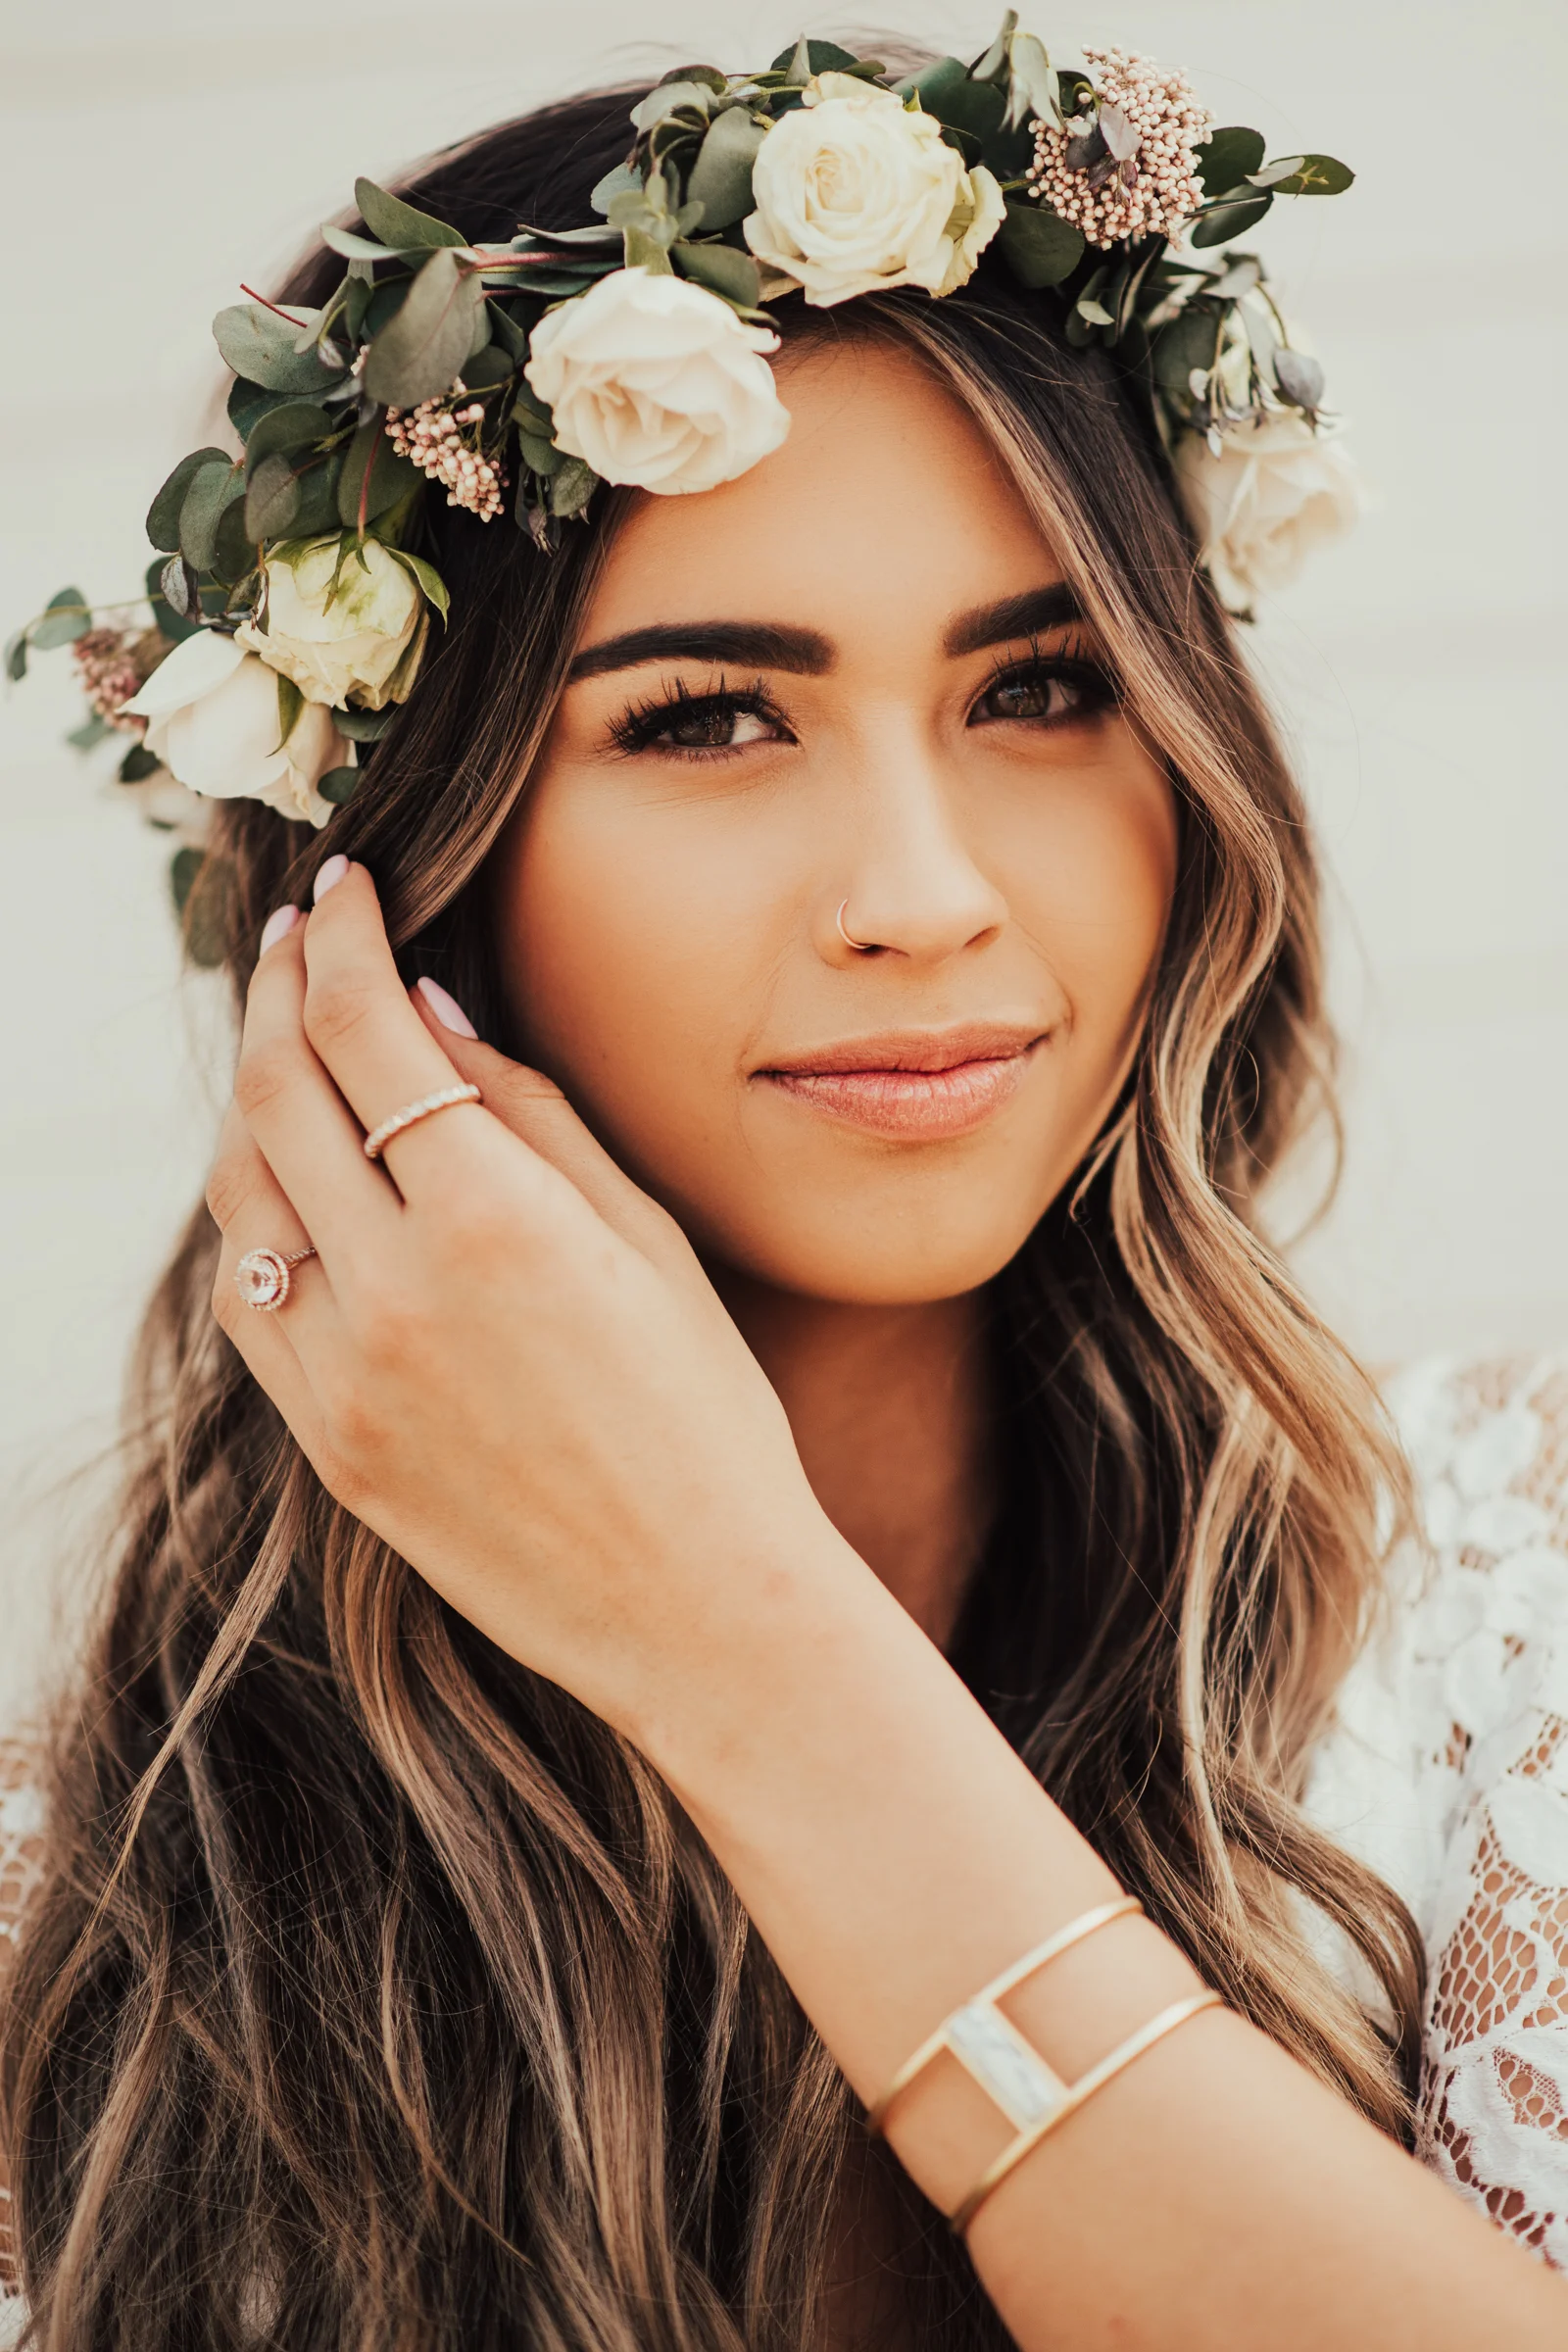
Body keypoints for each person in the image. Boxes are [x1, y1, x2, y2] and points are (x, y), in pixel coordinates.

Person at [2, 34, 1566, 2352]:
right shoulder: (84, 1920)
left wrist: (732, 1637)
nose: (922, 899)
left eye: (1040, 689)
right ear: (392, 896)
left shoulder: (1506, 1631)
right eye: (708, 717)